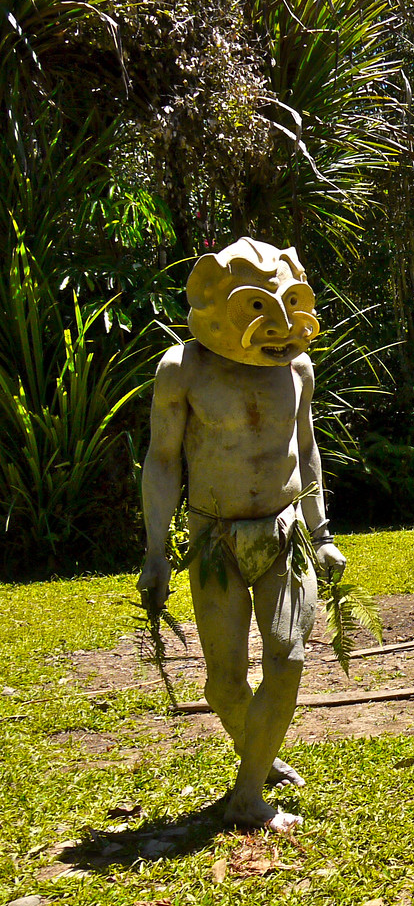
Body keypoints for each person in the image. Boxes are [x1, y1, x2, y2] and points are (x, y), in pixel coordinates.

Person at [139, 238, 345, 832]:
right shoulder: (184, 369)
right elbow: (161, 462)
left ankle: (248, 793)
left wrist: (322, 531)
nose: (279, 328)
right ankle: (261, 752)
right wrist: (156, 553)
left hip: (285, 536)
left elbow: (305, 449)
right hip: (214, 539)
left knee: (287, 658)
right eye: (258, 308)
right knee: (225, 682)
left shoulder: (298, 368)